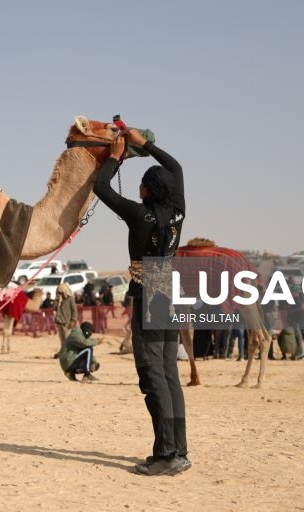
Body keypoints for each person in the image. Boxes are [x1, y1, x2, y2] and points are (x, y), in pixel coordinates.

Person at [93, 125, 190, 476]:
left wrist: (116, 157)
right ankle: (178, 449)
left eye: (143, 183)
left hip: (147, 288)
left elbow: (100, 187)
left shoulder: (140, 215)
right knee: (169, 373)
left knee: (153, 375)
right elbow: (176, 169)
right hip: (165, 285)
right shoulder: (177, 211)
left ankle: (166, 455)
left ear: (148, 190)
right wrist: (144, 144)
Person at [53, 283, 77, 358]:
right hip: (60, 322)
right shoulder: (59, 300)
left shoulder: (70, 299)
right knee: (62, 340)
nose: (59, 293)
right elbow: (54, 308)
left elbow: (74, 311)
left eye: (60, 292)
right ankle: (63, 353)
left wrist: (73, 320)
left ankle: (70, 354)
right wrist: (57, 300)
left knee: (67, 340)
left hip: (67, 323)